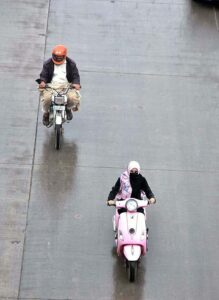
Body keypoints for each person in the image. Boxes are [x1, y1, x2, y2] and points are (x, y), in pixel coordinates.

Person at [37, 44, 81, 126]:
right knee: (47, 99)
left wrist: (76, 83)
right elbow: (43, 75)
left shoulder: (71, 64)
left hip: (67, 85)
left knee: (72, 98)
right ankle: (46, 114)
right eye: (56, 56)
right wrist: (42, 82)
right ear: (53, 55)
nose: (58, 58)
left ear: (65, 56)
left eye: (60, 57)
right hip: (51, 85)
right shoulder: (47, 63)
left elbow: (75, 76)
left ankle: (68, 109)